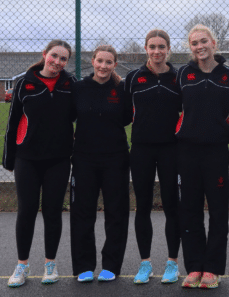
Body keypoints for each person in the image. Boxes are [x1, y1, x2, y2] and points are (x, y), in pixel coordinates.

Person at [3, 40, 77, 287]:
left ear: (67, 62)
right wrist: (9, 159)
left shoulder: (70, 84)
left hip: (58, 160)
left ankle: (50, 264)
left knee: (52, 212)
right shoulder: (25, 83)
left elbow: (81, 116)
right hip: (27, 159)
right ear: (45, 55)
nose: (57, 62)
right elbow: (12, 123)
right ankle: (22, 265)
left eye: (63, 59)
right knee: (26, 211)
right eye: (54, 56)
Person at [176, 25, 229, 289]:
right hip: (187, 151)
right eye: (194, 43)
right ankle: (194, 267)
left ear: (214, 42)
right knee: (189, 211)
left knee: (218, 211)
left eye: (203, 41)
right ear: (190, 47)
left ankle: (212, 268)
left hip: (216, 152)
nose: (199, 47)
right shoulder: (183, 74)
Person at [70, 45, 132, 283]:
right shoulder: (78, 88)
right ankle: (84, 265)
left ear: (115, 65)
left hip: (115, 158)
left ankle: (111, 265)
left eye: (109, 62)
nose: (104, 66)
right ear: (93, 61)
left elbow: (127, 117)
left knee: (116, 213)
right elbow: (69, 117)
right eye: (100, 61)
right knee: (82, 213)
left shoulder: (122, 89)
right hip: (84, 158)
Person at [124, 29, 182, 284]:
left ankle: (172, 263)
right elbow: (121, 112)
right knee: (143, 206)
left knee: (172, 205)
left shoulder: (179, 76)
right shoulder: (133, 77)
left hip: (171, 149)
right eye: (152, 46)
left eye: (161, 46)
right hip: (142, 149)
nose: (157, 51)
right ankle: (145, 263)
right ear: (146, 49)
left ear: (168, 49)